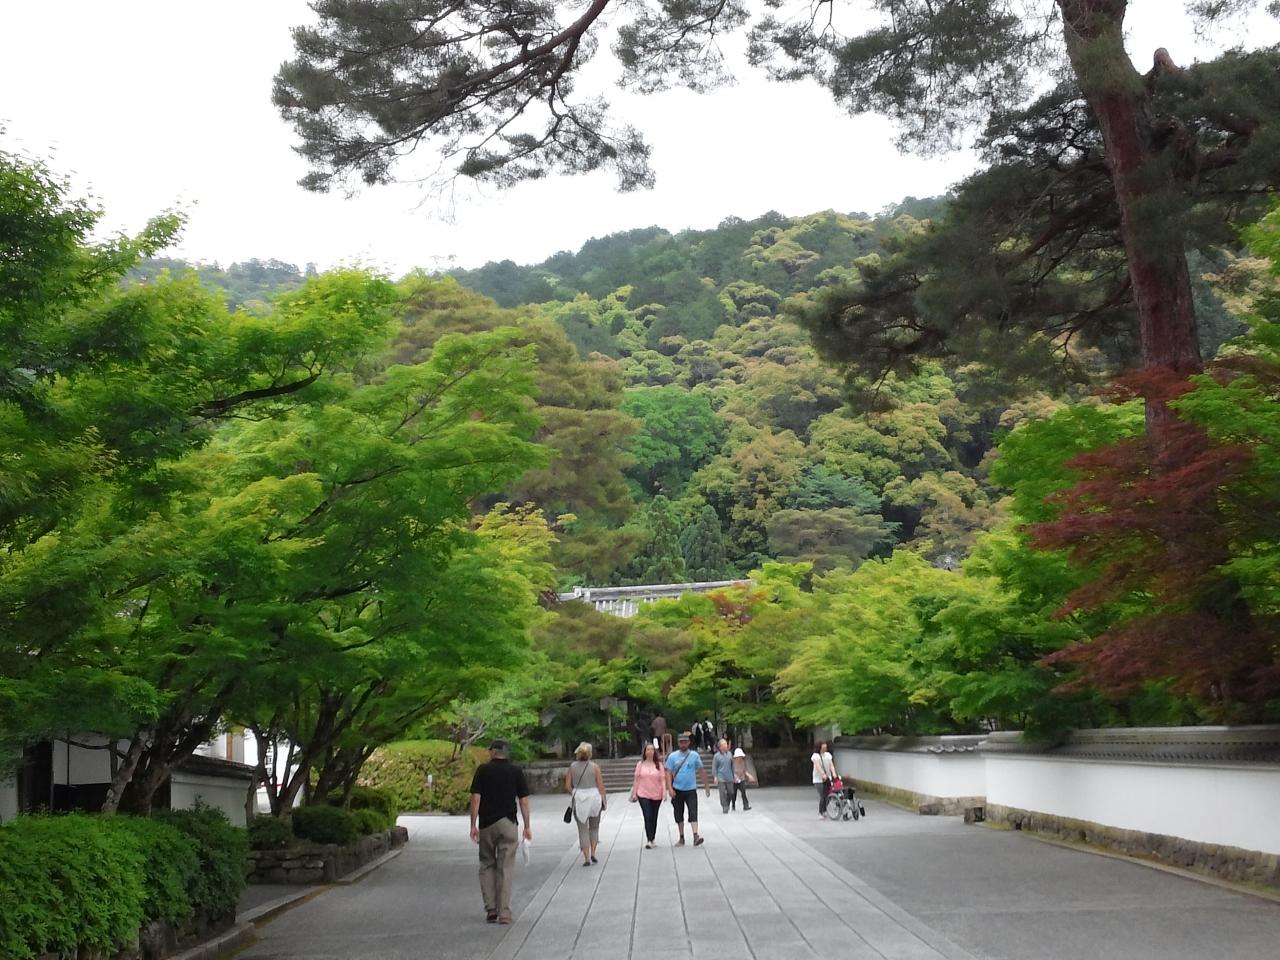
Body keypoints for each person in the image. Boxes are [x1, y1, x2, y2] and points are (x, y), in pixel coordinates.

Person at [468, 738, 531, 925]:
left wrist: (473, 824)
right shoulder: (515, 771)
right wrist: (527, 826)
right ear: (506, 752)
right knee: (506, 867)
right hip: (508, 822)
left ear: (493, 752)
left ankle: (491, 909)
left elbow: (475, 798)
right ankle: (504, 912)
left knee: (487, 863)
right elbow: (523, 801)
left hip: (487, 823)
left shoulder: (483, 770)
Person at [665, 731, 711, 846]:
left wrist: (706, 786)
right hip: (677, 789)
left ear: (689, 742)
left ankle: (695, 835)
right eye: (681, 742)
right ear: (678, 743)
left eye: (685, 742)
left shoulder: (694, 755)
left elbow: (701, 770)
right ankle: (681, 837)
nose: (683, 744)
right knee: (678, 813)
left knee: (693, 811)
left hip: (691, 789)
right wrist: (669, 788)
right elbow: (668, 773)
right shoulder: (672, 756)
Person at [565, 741, 607, 866]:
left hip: (579, 800)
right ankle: (593, 853)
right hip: (594, 799)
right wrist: (604, 799)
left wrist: (575, 793)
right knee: (594, 828)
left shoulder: (572, 767)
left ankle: (586, 858)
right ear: (590, 753)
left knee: (582, 829)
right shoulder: (595, 767)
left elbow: (567, 786)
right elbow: (600, 785)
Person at [629, 742, 666, 848]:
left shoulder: (659, 765)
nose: (650, 751)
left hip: (656, 794)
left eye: (652, 749)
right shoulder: (640, 765)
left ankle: (652, 837)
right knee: (647, 815)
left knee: (654, 816)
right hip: (643, 793)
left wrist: (664, 792)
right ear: (644, 752)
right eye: (648, 749)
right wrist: (634, 793)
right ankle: (649, 839)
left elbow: (663, 779)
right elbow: (636, 779)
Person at [811, 740, 838, 817]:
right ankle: (821, 812)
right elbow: (817, 766)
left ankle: (824, 810)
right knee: (822, 795)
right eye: (823, 747)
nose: (825, 748)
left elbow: (831, 765)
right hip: (818, 780)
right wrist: (823, 774)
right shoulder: (815, 756)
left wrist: (834, 773)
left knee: (828, 795)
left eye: (826, 747)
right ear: (819, 747)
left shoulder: (828, 755)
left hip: (828, 779)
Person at [712, 738, 735, 814]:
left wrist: (734, 775)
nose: (726, 745)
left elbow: (732, 765)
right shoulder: (716, 756)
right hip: (721, 777)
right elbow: (714, 767)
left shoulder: (730, 754)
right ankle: (724, 806)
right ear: (720, 747)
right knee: (722, 793)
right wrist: (715, 777)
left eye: (726, 744)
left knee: (731, 792)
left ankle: (727, 803)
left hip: (729, 776)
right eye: (724, 744)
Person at [731, 745, 755, 811]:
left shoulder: (743, 762)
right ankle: (733, 805)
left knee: (743, 793)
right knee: (734, 794)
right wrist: (735, 776)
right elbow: (731, 771)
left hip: (742, 779)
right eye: (739, 757)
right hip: (734, 780)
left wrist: (749, 776)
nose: (740, 758)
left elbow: (745, 771)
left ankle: (746, 806)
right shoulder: (732, 763)